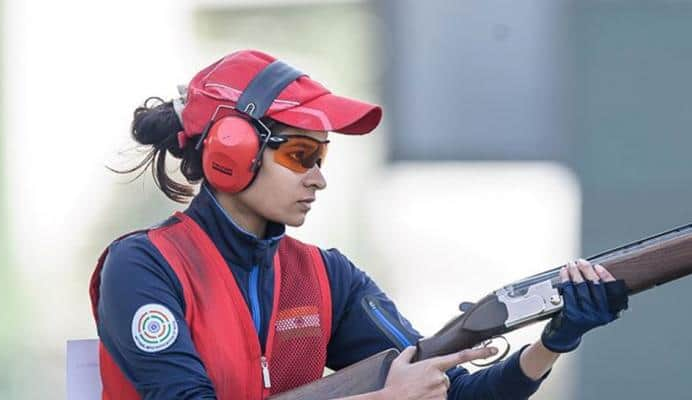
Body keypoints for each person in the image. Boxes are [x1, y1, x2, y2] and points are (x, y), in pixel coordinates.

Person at [89, 49, 628, 400]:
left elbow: (455, 393)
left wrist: (553, 343)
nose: (319, 179)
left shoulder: (326, 277)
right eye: (301, 155)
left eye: (323, 157)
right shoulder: (143, 266)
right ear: (233, 149)